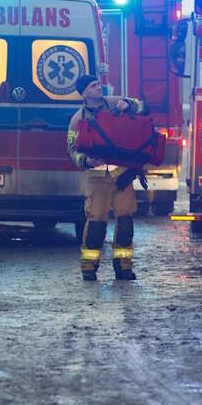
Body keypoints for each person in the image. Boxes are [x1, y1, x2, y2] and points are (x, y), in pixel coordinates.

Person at [67, 74, 146, 281]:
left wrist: (127, 104)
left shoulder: (113, 103)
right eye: (93, 86)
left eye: (98, 84)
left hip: (122, 175)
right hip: (96, 178)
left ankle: (124, 267)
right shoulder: (77, 119)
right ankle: (89, 268)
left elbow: (140, 106)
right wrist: (85, 161)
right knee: (96, 225)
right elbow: (71, 150)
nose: (98, 87)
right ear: (84, 93)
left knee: (126, 223)